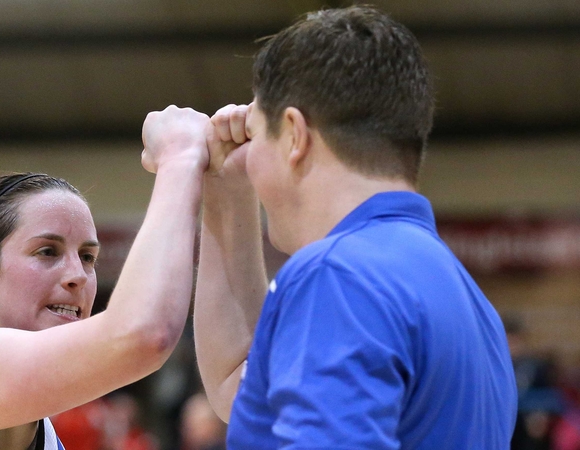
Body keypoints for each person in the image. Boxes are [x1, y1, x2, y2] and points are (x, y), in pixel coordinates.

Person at [180, 6, 518, 449]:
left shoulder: (336, 276)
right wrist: (225, 185)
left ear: (295, 136)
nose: (250, 154)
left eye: (257, 134)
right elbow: (241, 384)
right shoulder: (470, 303)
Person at [0, 106, 211, 450]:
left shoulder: (32, 419)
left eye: (88, 257)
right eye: (47, 252)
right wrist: (180, 157)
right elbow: (144, 335)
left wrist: (227, 183)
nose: (77, 275)